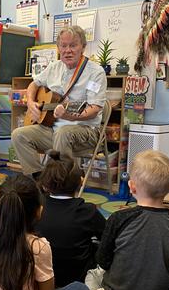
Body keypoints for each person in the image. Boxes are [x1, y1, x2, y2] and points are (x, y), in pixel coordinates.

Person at [86, 150, 169, 290]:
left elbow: (103, 259)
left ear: (132, 187)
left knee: (93, 274)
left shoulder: (119, 218)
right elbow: (168, 258)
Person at [11, 25, 107, 179]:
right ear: (58, 48)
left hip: (85, 130)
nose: (67, 50)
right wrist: (30, 102)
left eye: (73, 45)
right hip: (52, 128)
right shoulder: (53, 67)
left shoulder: (95, 72)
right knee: (19, 135)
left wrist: (70, 117)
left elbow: (94, 109)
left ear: (83, 47)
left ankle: (62, 187)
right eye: (63, 45)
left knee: (63, 133)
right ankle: (40, 179)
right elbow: (33, 84)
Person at [36, 150, 106, 287]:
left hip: (42, 278)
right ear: (80, 181)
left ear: (45, 184)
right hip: (77, 280)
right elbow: (107, 237)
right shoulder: (87, 211)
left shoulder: (37, 207)